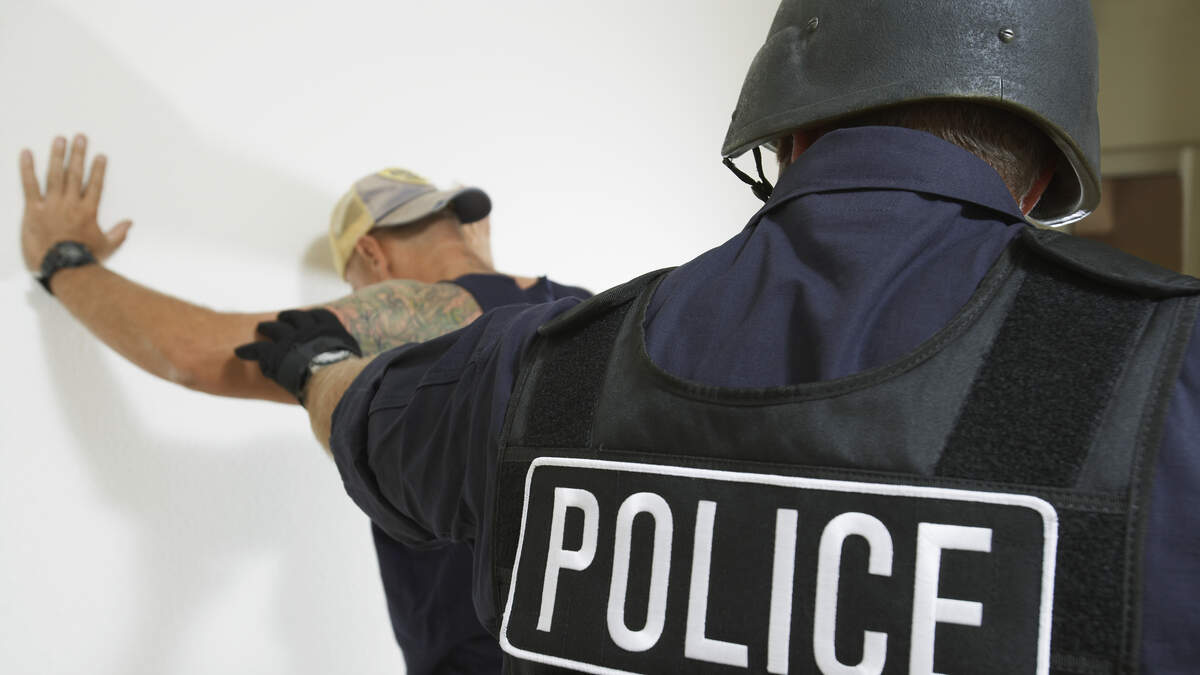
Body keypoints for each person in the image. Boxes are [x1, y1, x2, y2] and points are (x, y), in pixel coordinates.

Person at [208, 2, 1200, 673]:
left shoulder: (544, 368)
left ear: (789, 131)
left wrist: (315, 365)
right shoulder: (1166, 372)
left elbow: (360, 418)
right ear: (1040, 179)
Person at [17, 148, 591, 674]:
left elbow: (189, 354)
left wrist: (62, 258)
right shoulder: (582, 308)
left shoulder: (413, 313)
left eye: (354, 281)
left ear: (371, 254)